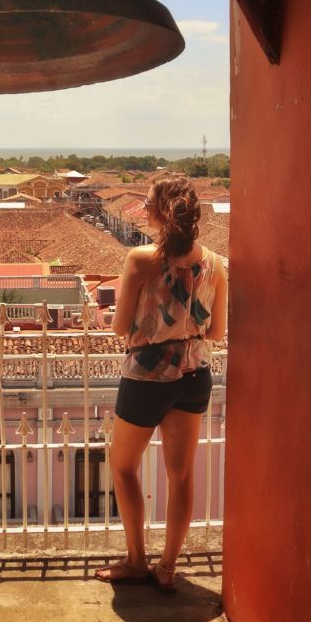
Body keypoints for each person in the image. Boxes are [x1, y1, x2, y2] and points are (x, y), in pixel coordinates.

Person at [95, 175, 227, 591]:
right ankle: (167, 568)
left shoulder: (141, 259)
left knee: (123, 466)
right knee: (181, 475)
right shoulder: (216, 264)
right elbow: (216, 332)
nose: (145, 210)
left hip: (147, 377)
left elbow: (119, 327)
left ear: (160, 213)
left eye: (148, 204)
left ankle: (137, 560)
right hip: (195, 375)